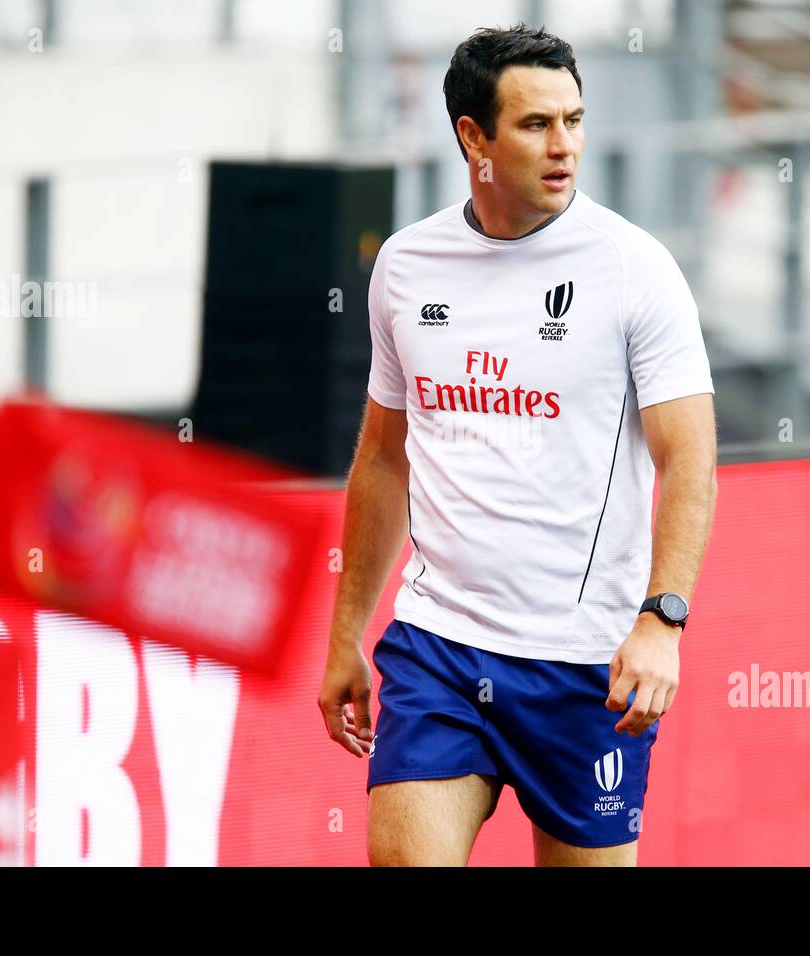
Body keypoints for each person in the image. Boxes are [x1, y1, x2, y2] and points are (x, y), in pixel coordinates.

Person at [319, 23, 718, 867]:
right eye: (536, 124)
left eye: (574, 120)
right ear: (474, 137)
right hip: (441, 648)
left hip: (584, 669)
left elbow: (690, 462)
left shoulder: (635, 269)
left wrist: (663, 620)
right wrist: (345, 631)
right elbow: (384, 460)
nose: (564, 144)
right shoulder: (405, 265)